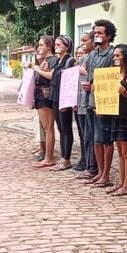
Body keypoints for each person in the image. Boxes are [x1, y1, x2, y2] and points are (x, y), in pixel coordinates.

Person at [82, 19, 117, 188]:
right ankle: (100, 172)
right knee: (94, 138)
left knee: (105, 139)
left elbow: (114, 76)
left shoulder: (112, 54)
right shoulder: (92, 54)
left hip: (105, 101)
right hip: (90, 99)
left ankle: (106, 174)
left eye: (100, 33)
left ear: (108, 36)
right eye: (95, 33)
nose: (96, 35)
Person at [107, 44, 127, 196]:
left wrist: (125, 93)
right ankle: (120, 182)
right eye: (114, 56)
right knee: (119, 151)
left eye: (118, 56)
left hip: (126, 116)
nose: (115, 58)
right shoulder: (113, 73)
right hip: (114, 114)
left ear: (125, 56)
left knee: (126, 152)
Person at [48, 35, 76, 171]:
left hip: (64, 98)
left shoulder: (70, 61)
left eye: (59, 44)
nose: (56, 47)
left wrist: (69, 101)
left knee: (66, 128)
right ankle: (63, 157)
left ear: (66, 46)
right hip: (55, 96)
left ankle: (66, 158)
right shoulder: (57, 62)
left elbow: (71, 82)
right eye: (56, 44)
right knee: (60, 128)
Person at [32, 35, 58, 168]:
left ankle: (49, 157)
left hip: (46, 96)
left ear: (49, 46)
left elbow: (51, 75)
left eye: (42, 45)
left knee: (48, 128)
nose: (40, 47)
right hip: (40, 96)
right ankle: (47, 155)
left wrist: (36, 69)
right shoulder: (44, 60)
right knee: (45, 127)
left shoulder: (52, 60)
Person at [75, 31, 97, 176]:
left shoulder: (95, 57)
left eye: (85, 41)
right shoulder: (84, 58)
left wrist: (84, 72)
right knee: (85, 136)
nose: (83, 43)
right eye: (81, 41)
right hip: (82, 101)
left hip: (93, 102)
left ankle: (93, 167)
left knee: (93, 137)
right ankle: (87, 164)